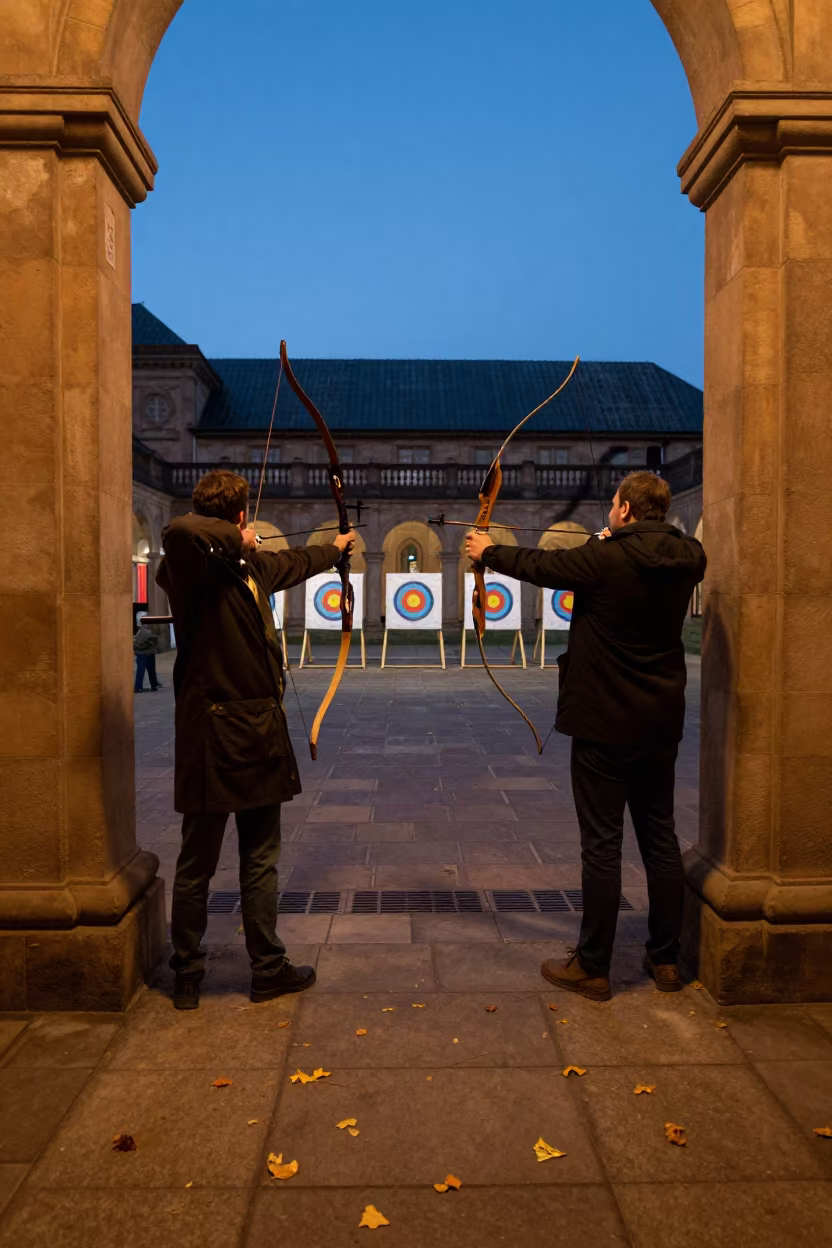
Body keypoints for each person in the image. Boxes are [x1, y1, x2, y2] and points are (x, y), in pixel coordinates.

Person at [466, 471, 706, 1002]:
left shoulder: (604, 558)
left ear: (622, 508)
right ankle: (665, 959)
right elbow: (635, 559)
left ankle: (593, 966)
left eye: (614, 507)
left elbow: (542, 566)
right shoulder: (690, 557)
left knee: (602, 846)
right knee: (659, 837)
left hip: (603, 722)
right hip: (659, 721)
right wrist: (608, 541)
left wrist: (487, 551)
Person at [156, 469, 355, 1011]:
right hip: (212, 735)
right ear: (241, 518)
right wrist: (232, 535)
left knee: (259, 859)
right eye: (241, 523)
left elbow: (293, 563)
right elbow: (179, 532)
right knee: (197, 860)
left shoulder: (248, 568)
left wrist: (334, 549)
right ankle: (188, 970)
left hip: (259, 733)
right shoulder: (192, 563)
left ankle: (267, 968)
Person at [133, 616, 162, 692]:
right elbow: (154, 641)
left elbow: (136, 644)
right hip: (148, 653)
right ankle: (154, 685)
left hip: (142, 653)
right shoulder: (147, 631)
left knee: (141, 671)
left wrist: (136, 649)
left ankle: (138, 687)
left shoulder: (141, 631)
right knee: (151, 670)